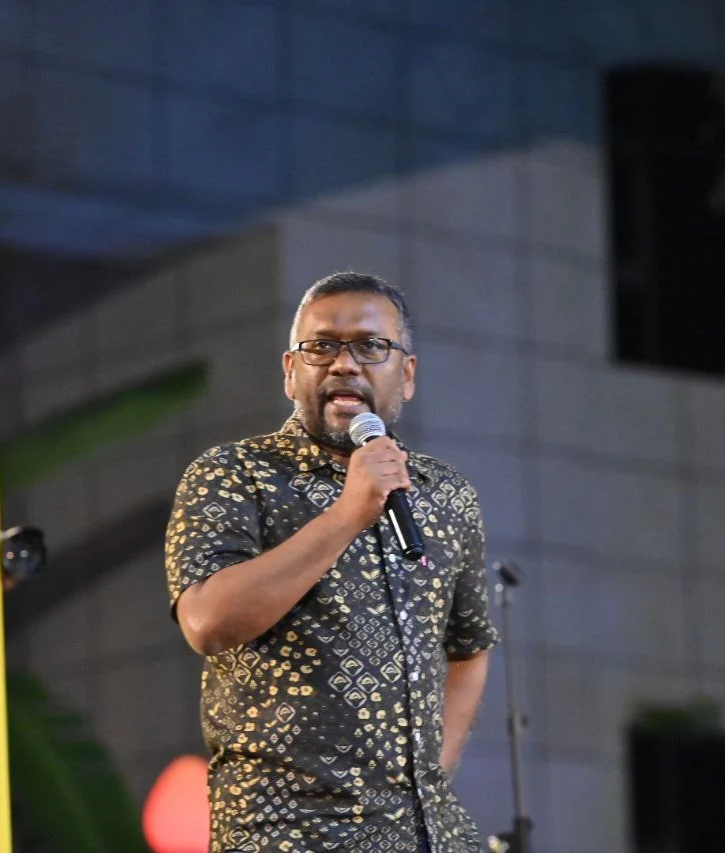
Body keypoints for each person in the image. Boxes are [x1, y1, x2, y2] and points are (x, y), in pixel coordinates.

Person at [164, 272, 498, 852]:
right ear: (291, 370)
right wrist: (348, 513)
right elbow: (207, 621)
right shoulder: (235, 474)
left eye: (370, 346)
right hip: (290, 833)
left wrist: (429, 780)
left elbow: (467, 648)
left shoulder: (445, 494)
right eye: (321, 346)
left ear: (407, 375)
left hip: (430, 836)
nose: (344, 364)